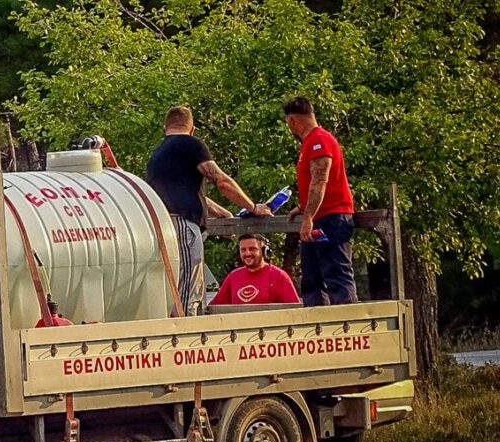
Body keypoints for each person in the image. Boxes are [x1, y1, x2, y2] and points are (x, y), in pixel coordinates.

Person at [146, 106, 272, 316]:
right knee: (187, 287)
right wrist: (252, 206)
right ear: (192, 128)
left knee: (174, 285)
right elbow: (221, 180)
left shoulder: (157, 154)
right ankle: (186, 335)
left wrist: (219, 212)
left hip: (161, 225)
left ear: (164, 127)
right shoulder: (191, 145)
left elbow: (184, 191)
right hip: (182, 225)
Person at [283, 96, 357, 306]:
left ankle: (347, 324)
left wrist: (308, 217)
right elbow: (315, 184)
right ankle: (317, 327)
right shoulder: (309, 143)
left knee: (336, 274)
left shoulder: (319, 140)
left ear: (292, 121)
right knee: (312, 278)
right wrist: (303, 206)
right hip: (319, 216)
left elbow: (320, 180)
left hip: (331, 218)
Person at [210, 234, 300, 305]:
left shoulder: (279, 276)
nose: (247, 253)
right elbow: (215, 307)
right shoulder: (233, 276)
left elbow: (294, 311)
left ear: (264, 251)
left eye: (252, 249)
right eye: (243, 250)